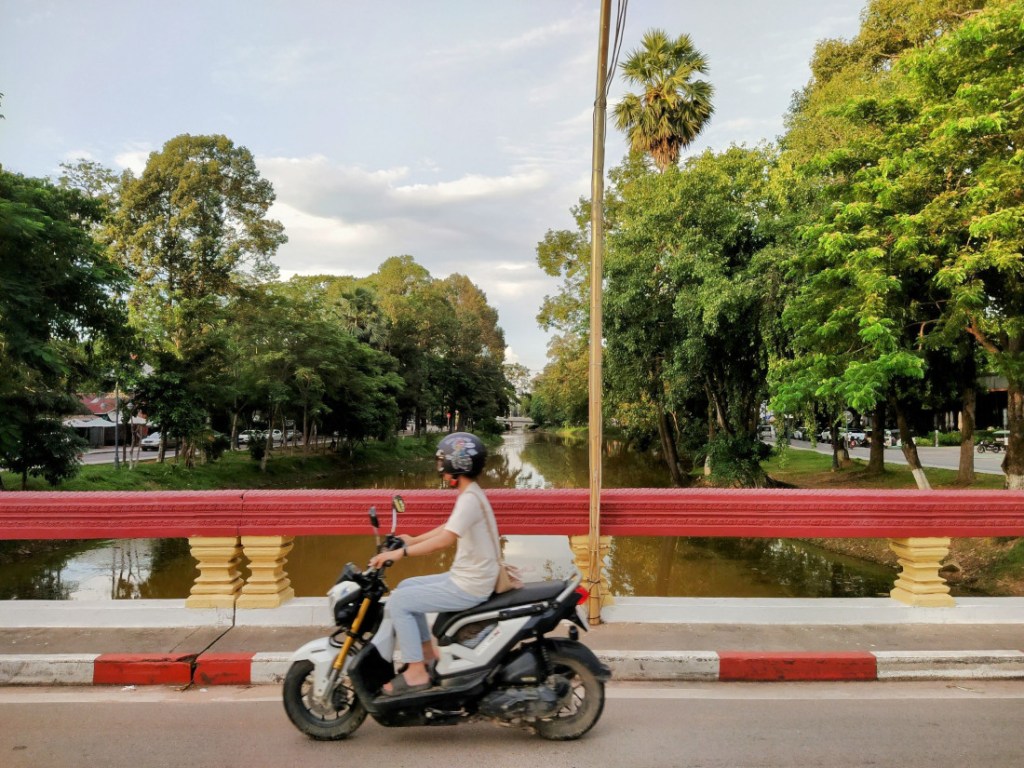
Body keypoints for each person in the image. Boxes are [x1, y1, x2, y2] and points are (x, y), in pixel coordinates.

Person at [367, 431, 500, 695]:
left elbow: (444, 540)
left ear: (457, 464)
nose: (440, 468)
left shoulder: (470, 498)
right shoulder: (469, 495)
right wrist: (412, 540)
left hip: (470, 585)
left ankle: (416, 672)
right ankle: (427, 654)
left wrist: (400, 554)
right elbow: (446, 528)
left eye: (443, 462)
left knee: (399, 602)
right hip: (467, 576)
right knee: (405, 587)